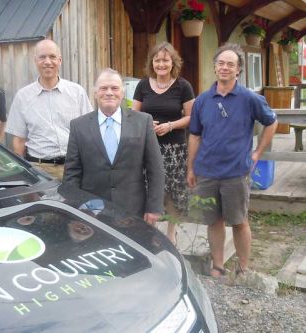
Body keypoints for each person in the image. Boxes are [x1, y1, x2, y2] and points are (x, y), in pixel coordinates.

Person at [187, 43, 277, 278]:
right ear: (215, 67)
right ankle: (218, 266)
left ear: (238, 70)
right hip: (206, 172)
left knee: (239, 221)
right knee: (213, 221)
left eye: (231, 64)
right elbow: (195, 136)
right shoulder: (203, 100)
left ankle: (243, 269)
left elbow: (272, 121)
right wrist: (191, 167)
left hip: (236, 172)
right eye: (221, 63)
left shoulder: (249, 98)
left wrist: (257, 153)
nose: (225, 67)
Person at [63, 68, 165, 224]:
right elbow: (72, 172)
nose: (109, 92)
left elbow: (155, 169)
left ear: (122, 93)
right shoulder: (78, 126)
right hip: (92, 210)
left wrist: (154, 207)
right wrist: (74, 208)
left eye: (114, 88)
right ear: (95, 93)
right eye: (103, 88)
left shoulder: (143, 121)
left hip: (134, 209)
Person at [132, 42, 195, 244]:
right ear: (152, 62)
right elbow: (134, 115)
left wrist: (170, 125)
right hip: (147, 148)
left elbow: (191, 117)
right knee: (148, 187)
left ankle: (171, 231)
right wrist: (147, 124)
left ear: (172, 62)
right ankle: (151, 229)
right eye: (157, 60)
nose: (161, 64)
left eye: (165, 60)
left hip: (174, 148)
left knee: (172, 190)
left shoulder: (183, 86)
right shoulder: (142, 85)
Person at [5, 39, 93, 180]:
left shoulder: (77, 93)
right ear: (35, 60)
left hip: (74, 168)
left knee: (76, 202)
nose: (47, 61)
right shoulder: (23, 97)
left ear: (60, 60)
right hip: (40, 171)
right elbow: (19, 141)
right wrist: (24, 175)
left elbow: (90, 132)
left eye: (52, 57)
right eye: (42, 57)